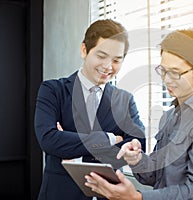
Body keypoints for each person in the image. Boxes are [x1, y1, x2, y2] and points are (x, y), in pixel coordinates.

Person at [84, 28, 193, 200]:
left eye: (175, 73)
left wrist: (138, 198)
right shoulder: (170, 116)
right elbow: (156, 176)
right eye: (163, 71)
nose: (167, 80)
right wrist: (136, 159)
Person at [34, 19, 146, 200]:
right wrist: (110, 138)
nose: (108, 67)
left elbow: (137, 146)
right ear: (84, 50)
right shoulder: (53, 90)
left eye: (117, 60)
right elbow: (48, 139)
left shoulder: (125, 100)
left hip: (108, 195)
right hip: (59, 194)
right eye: (101, 56)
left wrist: (68, 143)